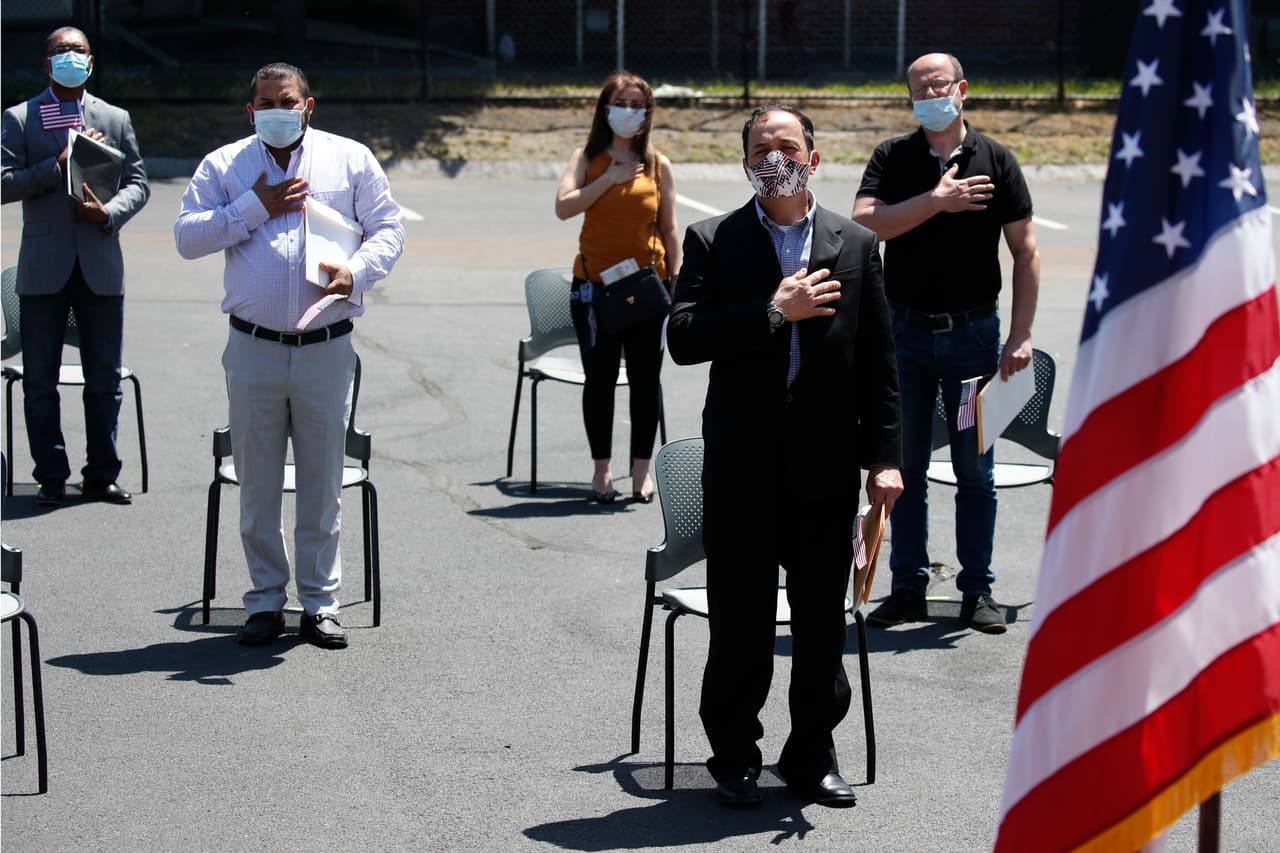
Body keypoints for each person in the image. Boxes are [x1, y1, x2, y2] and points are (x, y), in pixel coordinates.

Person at [668, 104, 903, 808]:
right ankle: (734, 753)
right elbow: (683, 338)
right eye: (762, 149)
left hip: (824, 466)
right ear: (745, 163)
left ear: (815, 159)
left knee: (818, 620)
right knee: (739, 618)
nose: (776, 158)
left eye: (788, 146)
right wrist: (774, 311)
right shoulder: (713, 239)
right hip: (742, 467)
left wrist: (884, 459)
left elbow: (879, 365)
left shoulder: (855, 244)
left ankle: (811, 755)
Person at [174, 63, 404, 649]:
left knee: (322, 481)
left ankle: (321, 604)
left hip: (326, 347)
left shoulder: (348, 159)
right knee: (257, 482)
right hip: (253, 346)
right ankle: (264, 602)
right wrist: (253, 207)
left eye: (288, 100)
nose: (277, 109)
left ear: (308, 105)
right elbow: (188, 237)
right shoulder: (225, 166)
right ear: (250, 110)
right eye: (265, 101)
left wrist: (355, 273)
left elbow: (389, 230)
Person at [852, 52, 1040, 635]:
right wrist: (935, 201)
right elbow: (865, 223)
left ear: (961, 89)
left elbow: (1026, 251)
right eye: (918, 88)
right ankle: (906, 585)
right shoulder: (894, 156)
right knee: (901, 466)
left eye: (938, 86)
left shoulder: (996, 159)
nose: (929, 95)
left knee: (973, 469)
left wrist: (1022, 335)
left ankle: (976, 588)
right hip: (903, 337)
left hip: (972, 342)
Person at [1, 25, 150, 506]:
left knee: (103, 380)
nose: (71, 57)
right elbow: (4, 183)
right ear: (47, 65)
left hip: (100, 263)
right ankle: (50, 474)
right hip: (44, 268)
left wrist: (109, 213)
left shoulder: (114, 116)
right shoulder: (21, 118)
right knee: (40, 381)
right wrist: (56, 164)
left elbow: (138, 182)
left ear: (91, 61)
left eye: (79, 50)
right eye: (61, 51)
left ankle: (100, 475)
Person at [554, 71, 680, 504]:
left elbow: (669, 229)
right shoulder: (587, 157)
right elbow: (564, 207)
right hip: (593, 288)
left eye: (637, 105)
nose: (629, 112)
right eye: (621, 103)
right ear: (605, 109)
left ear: (648, 113)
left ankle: (641, 472)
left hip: (648, 288)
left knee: (647, 380)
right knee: (600, 379)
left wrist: (677, 283)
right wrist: (610, 178)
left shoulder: (659, 165)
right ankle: (601, 471)